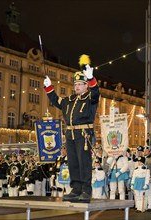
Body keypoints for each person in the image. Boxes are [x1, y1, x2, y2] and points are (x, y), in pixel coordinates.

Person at [44, 54, 100, 203]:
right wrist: (49, 87)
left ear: (86, 86)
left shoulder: (89, 99)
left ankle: (86, 191)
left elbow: (96, 93)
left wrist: (91, 79)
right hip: (70, 133)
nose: (76, 86)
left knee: (84, 163)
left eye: (80, 84)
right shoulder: (69, 100)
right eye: (75, 84)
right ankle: (76, 189)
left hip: (83, 133)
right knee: (73, 163)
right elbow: (56, 101)